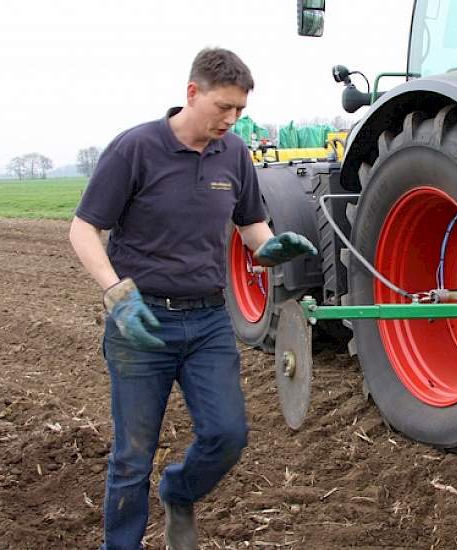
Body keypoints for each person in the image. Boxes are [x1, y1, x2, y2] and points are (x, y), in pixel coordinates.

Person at [68, 47, 317, 550]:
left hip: (207, 321)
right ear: (191, 93)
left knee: (228, 435)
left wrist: (270, 247)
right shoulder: (135, 149)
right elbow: (83, 228)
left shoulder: (234, 154)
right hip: (141, 321)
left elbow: (249, 223)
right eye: (222, 107)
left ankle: (179, 493)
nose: (231, 119)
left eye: (240, 110)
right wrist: (117, 293)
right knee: (132, 454)